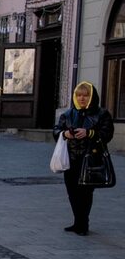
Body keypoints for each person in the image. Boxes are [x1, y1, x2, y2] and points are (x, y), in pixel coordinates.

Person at [53, 82, 114, 236]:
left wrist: (89, 133)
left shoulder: (102, 114)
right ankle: (77, 221)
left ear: (91, 97)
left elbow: (107, 134)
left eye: (85, 95)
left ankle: (83, 223)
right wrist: (64, 134)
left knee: (86, 192)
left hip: (91, 159)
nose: (81, 98)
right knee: (72, 191)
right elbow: (56, 130)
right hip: (71, 158)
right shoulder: (67, 114)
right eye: (79, 95)